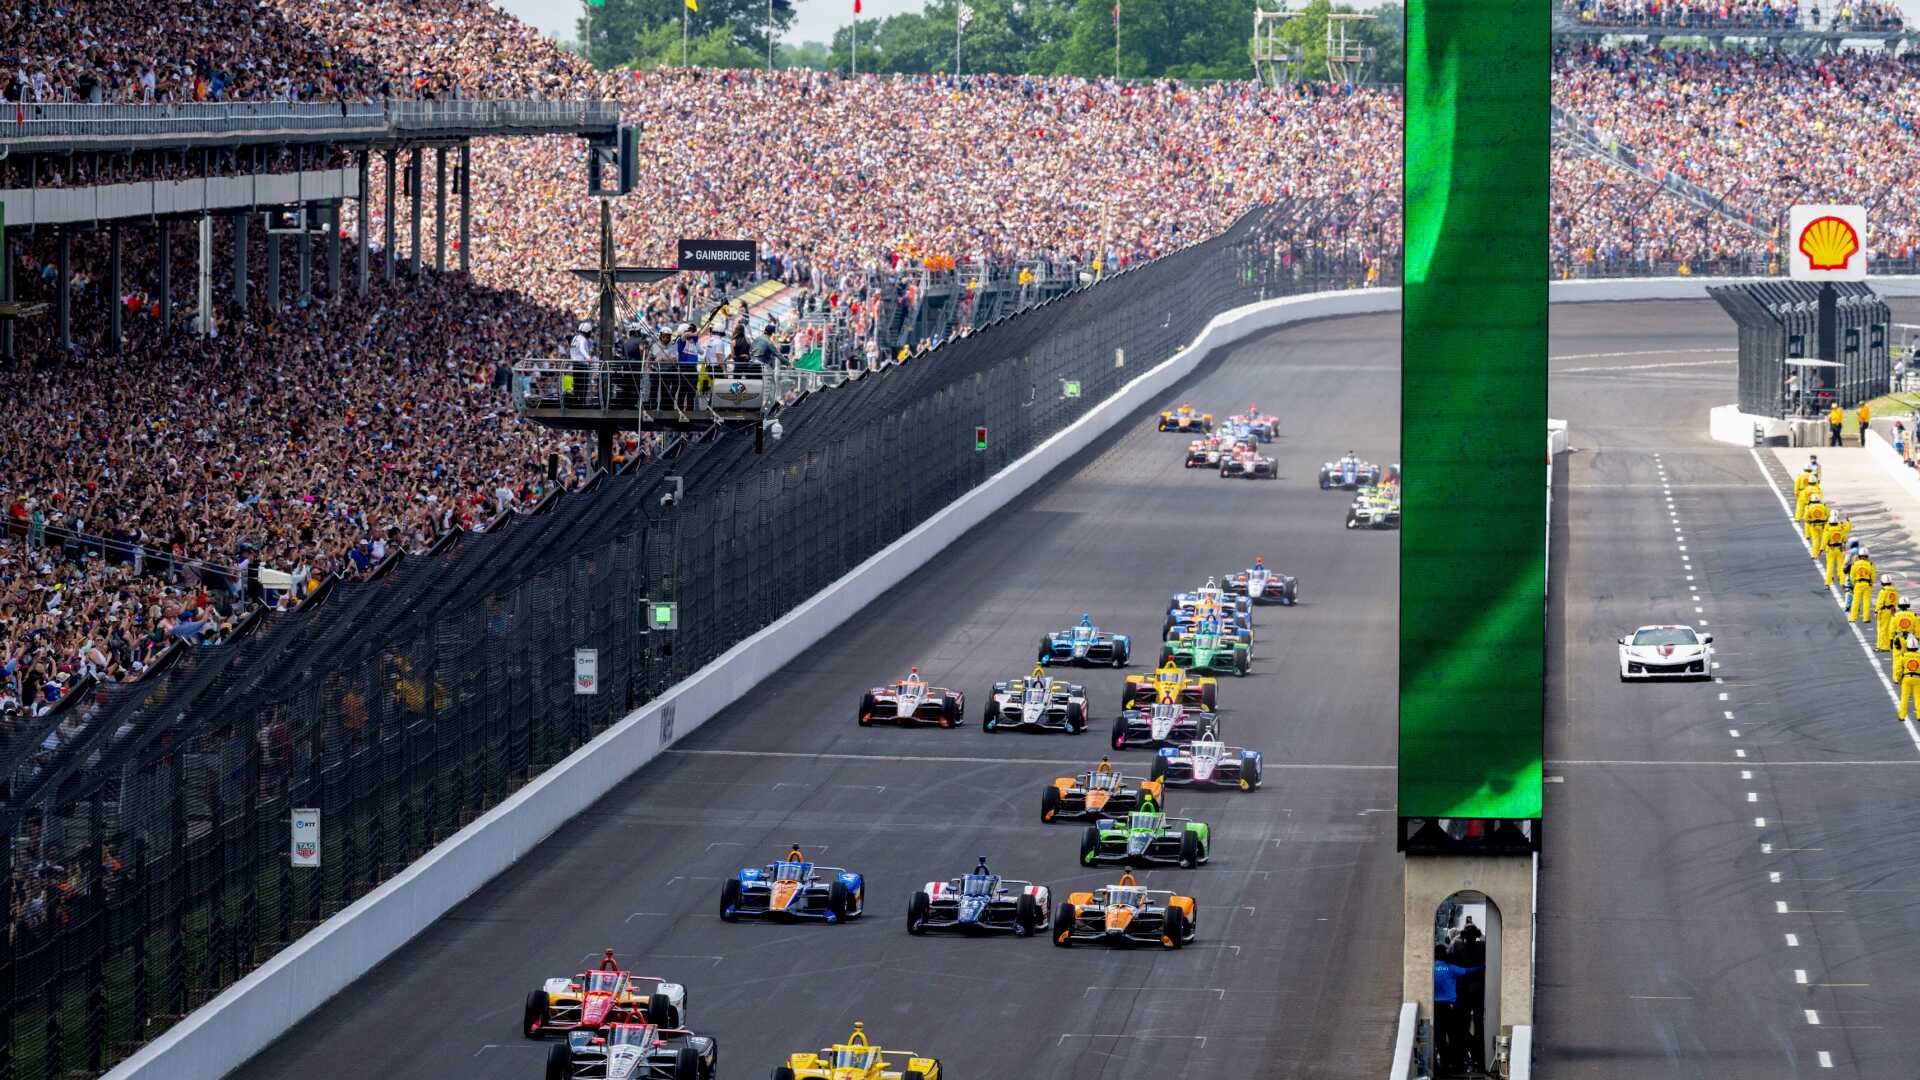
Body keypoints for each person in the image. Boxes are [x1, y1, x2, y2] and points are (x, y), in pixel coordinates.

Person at [1433, 943, 1483, 1074]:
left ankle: (1443, 1066)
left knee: (1440, 1037)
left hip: (1435, 1007)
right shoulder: (1451, 968)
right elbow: (1468, 971)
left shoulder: (1431, 968)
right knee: (1454, 1035)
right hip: (1450, 1007)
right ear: (1445, 955)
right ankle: (1455, 1064)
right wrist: (1483, 965)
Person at [1851, 546, 1878, 623]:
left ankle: (1853, 618)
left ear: (1859, 556)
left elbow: (1852, 576)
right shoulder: (1870, 564)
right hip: (1867, 584)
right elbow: (1873, 575)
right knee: (1866, 602)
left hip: (1858, 584)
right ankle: (1866, 618)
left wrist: (1854, 583)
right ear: (1867, 556)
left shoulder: (1855, 564)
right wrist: (1871, 583)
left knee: (1855, 602)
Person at [1825, 511, 1851, 585]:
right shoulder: (1841, 527)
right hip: (1840, 549)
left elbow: (1824, 539)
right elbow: (1848, 528)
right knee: (1841, 566)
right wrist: (1848, 520)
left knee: (1830, 566)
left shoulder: (1827, 528)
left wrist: (1821, 549)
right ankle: (1842, 581)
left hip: (1830, 549)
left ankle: (1828, 582)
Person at [1898, 635, 1920, 722]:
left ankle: (1902, 716)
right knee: (1918, 698)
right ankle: (1919, 715)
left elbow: (1899, 669)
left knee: (1904, 697)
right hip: (1918, 678)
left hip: (1906, 678)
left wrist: (1899, 679)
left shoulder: (1904, 656)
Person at [1877, 574, 1901, 650]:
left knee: (1882, 629)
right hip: (1892, 610)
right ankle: (1890, 644)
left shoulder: (1883, 591)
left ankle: (1882, 646)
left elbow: (1880, 603)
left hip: (1884, 611)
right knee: (1891, 628)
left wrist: (1876, 611)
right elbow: (1897, 601)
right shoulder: (1894, 590)